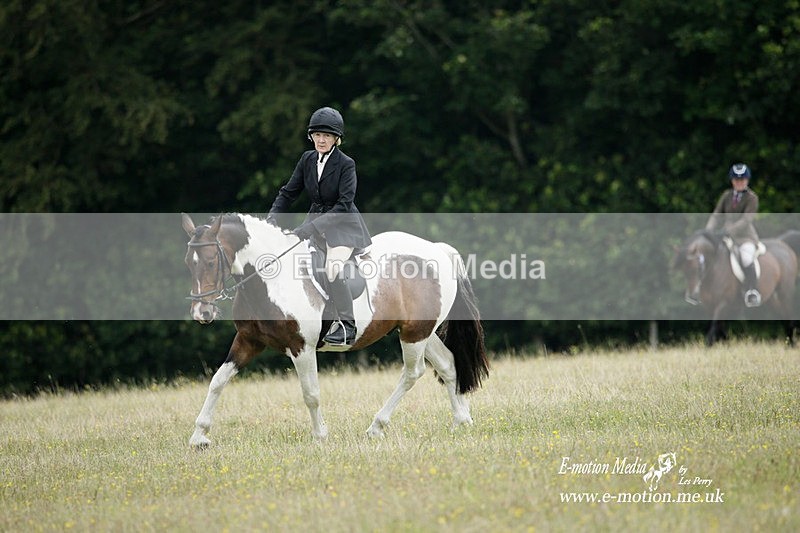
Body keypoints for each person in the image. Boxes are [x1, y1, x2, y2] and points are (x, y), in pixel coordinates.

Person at [267, 106, 372, 345]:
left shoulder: (346, 164)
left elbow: (344, 204)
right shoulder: (307, 159)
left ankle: (347, 325)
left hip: (345, 228)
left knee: (333, 268)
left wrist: (311, 229)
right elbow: (288, 193)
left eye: (326, 135)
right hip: (314, 223)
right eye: (317, 135)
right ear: (311, 136)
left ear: (336, 139)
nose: (321, 140)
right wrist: (272, 219)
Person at [705, 163, 761, 307]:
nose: (739, 182)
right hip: (726, 237)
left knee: (746, 258)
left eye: (742, 180)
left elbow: (746, 220)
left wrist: (728, 231)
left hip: (745, 237)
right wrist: (709, 230)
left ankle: (752, 290)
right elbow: (717, 215)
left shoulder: (752, 198)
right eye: (736, 180)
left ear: (747, 180)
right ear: (732, 181)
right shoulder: (726, 195)